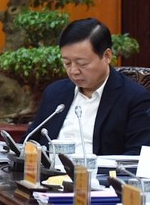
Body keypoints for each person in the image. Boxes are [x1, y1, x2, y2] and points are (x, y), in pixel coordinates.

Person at [27, 18, 150, 156]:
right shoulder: (55, 92)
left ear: (107, 56)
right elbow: (31, 141)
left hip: (98, 175)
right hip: (48, 175)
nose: (74, 71)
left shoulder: (135, 98)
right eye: (67, 63)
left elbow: (137, 156)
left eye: (82, 63)